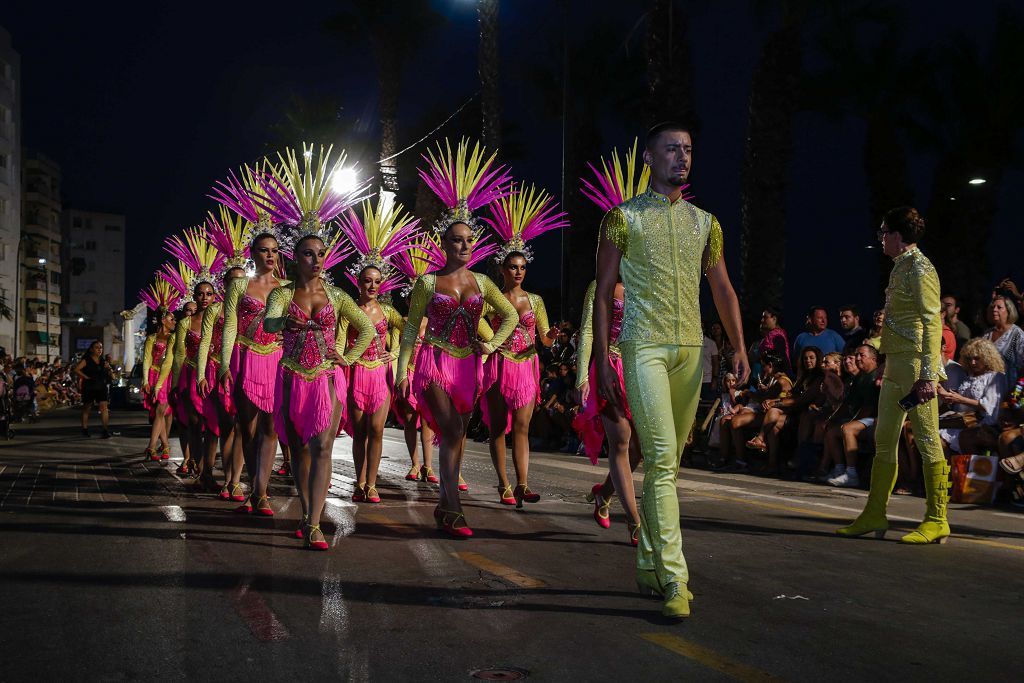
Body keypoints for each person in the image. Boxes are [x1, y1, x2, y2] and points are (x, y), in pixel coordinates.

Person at [594, 122, 749, 619]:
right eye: (671, 149)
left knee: (672, 463)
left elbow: (723, 289)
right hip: (643, 348)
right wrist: (601, 359)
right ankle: (675, 578)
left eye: (688, 149)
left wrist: (739, 346)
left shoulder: (706, 222)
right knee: (660, 459)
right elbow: (602, 293)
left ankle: (647, 565)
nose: (681, 157)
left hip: (691, 353)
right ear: (648, 157)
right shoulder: (622, 218)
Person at [397, 138, 518, 538]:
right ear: (443, 243)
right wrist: (402, 369)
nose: (464, 246)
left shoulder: (483, 281)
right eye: (456, 240)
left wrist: (493, 343)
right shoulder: (428, 282)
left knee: (459, 435)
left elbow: (511, 315)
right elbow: (412, 328)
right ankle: (454, 508)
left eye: (469, 240)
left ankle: (443, 506)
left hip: (469, 364)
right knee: (451, 432)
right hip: (434, 363)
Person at [260, 144, 374, 549]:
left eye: (321, 253)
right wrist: (281, 321)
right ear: (295, 258)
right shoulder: (282, 293)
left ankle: (313, 522)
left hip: (327, 377)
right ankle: (306, 509)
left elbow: (367, 330)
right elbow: (267, 323)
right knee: (299, 449)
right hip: (291, 376)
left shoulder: (339, 296)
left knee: (323, 445)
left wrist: (350, 357)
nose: (316, 259)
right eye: (308, 253)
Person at [837, 206, 949, 544]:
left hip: (916, 369)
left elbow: (933, 322)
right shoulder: (901, 268)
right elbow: (902, 323)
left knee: (929, 442)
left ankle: (937, 518)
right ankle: (874, 512)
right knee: (883, 440)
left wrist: (929, 376)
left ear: (898, 236)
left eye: (884, 231)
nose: (881, 237)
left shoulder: (920, 269)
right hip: (897, 367)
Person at [480, 183, 565, 507]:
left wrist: (551, 337)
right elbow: (480, 325)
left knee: (523, 426)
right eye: (512, 267)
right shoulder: (493, 298)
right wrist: (492, 343)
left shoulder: (536, 300)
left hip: (527, 366)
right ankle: (503, 484)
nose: (518, 272)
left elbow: (542, 337)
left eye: (522, 267)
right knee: (498, 426)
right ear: (502, 269)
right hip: (500, 366)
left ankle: (523, 484)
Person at [212, 167, 290, 514]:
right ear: (253, 253)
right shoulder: (239, 286)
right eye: (263, 250)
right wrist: (226, 364)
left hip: (277, 360)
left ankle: (260, 491)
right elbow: (229, 326)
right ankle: (250, 483)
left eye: (274, 249)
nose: (269, 255)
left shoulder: (289, 289)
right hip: (245, 360)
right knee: (249, 428)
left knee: (271, 428)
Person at [338, 196, 418, 505]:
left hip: (381, 375)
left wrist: (395, 353)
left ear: (381, 285)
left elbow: (406, 329)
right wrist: (343, 360)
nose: (372, 285)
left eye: (377, 282)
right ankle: (359, 481)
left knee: (377, 430)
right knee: (360, 432)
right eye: (367, 281)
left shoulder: (388, 311)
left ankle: (372, 484)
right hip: (358, 373)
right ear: (358, 282)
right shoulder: (350, 309)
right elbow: (342, 340)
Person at [162, 228, 226, 491]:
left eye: (208, 294)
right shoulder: (185, 323)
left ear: (215, 296)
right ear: (194, 296)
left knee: (213, 425)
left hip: (215, 374)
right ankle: (199, 465)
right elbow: (178, 354)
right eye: (199, 294)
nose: (204, 298)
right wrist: (176, 383)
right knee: (196, 423)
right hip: (191, 375)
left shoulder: (222, 319)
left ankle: (208, 470)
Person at [936, 338, 1006, 455]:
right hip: (960, 421)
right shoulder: (969, 376)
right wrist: (945, 394)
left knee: (947, 440)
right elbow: (958, 401)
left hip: (982, 423)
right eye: (969, 359)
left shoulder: (995, 377)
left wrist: (960, 399)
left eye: (977, 359)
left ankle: (963, 471)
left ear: (987, 358)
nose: (972, 362)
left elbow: (989, 406)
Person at [824, 345, 881, 487]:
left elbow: (868, 409)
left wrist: (851, 421)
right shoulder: (859, 378)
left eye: (862, 355)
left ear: (873, 359)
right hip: (864, 420)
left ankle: (852, 475)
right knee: (831, 431)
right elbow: (846, 404)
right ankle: (839, 469)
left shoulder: (877, 375)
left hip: (877, 419)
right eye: (857, 355)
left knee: (848, 429)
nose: (858, 358)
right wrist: (831, 419)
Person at [140, 290, 178, 460]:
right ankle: (163, 446)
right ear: (163, 320)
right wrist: (146, 380)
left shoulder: (174, 338)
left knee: (162, 411)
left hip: (166, 377)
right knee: (159, 412)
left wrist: (160, 384)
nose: (174, 321)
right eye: (171, 319)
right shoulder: (152, 338)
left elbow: (169, 362)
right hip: (154, 375)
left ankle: (152, 446)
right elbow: (147, 359)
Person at [74, 341, 113, 438]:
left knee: (104, 408)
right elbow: (76, 369)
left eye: (101, 347)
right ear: (91, 349)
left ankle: (105, 430)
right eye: (97, 347)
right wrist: (85, 377)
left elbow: (111, 374)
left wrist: (109, 369)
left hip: (101, 386)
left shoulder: (103, 360)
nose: (99, 349)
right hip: (89, 386)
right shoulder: (86, 359)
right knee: (87, 408)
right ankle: (85, 429)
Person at [982, 295, 1024, 382]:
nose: (994, 309)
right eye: (993, 307)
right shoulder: (987, 334)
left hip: (1008, 386)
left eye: (999, 307)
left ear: (1009, 311)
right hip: (985, 383)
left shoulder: (1017, 334)